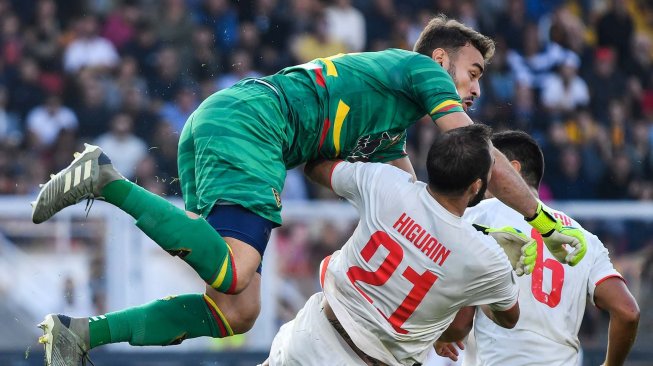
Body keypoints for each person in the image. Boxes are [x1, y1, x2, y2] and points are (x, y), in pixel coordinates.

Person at [31, 15, 585, 366]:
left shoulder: (391, 118)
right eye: (472, 70)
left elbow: (417, 205)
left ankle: (80, 335)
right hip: (256, 125)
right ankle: (105, 180)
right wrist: (542, 220)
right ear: (441, 60)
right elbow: (477, 146)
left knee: (238, 308)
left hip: (232, 120)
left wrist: (458, 265)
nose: (475, 86)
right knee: (236, 268)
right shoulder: (422, 72)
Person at [265, 124, 531, 366]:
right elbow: (508, 318)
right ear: (476, 187)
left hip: (308, 338)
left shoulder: (384, 183)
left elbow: (317, 168)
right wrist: (492, 274)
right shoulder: (485, 256)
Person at [433, 130, 640, 366]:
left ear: (512, 169)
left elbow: (460, 324)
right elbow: (628, 312)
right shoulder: (584, 239)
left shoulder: (477, 218)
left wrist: (441, 333)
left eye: (488, 170)